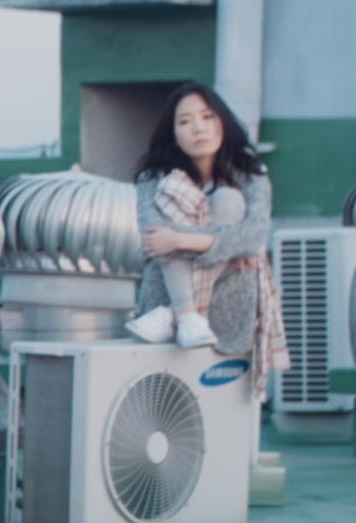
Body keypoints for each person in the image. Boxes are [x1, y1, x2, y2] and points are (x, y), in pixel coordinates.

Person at [123, 83, 290, 387]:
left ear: (222, 122)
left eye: (207, 117)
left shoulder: (251, 175)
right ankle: (185, 315)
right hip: (165, 290)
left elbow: (254, 237)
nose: (198, 128)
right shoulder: (153, 179)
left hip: (227, 306)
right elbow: (153, 237)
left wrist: (180, 241)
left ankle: (180, 314)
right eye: (185, 122)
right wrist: (229, 249)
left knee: (228, 200)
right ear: (173, 134)